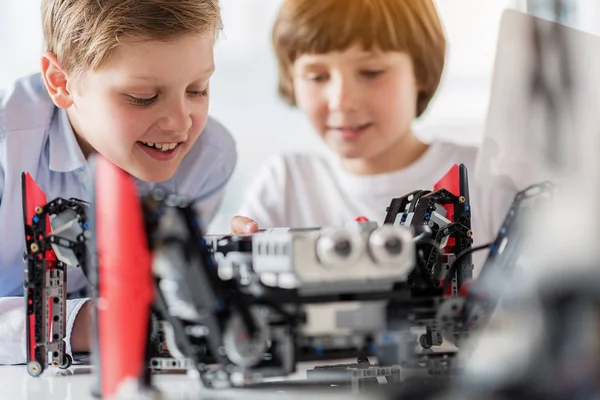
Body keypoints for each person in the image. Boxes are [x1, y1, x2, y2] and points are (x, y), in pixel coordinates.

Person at [0, 0, 257, 364]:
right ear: (61, 82)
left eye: (197, 89)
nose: (180, 124)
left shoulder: (207, 159)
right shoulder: (7, 150)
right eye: (143, 98)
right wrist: (84, 325)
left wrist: (220, 273)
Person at [237, 0, 514, 273]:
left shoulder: (489, 179)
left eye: (371, 72)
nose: (342, 101)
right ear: (292, 81)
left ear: (420, 73)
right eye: (317, 76)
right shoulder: (284, 185)